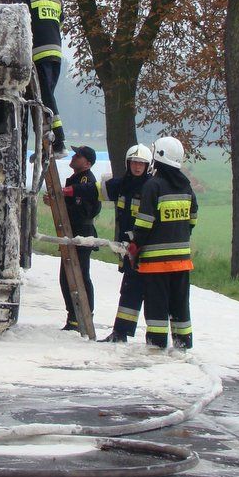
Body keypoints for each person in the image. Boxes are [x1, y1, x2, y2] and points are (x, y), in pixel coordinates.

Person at [63, 143, 152, 343]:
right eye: (134, 163)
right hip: (129, 247)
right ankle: (120, 333)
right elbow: (94, 190)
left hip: (146, 249)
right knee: (128, 290)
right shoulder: (122, 184)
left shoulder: (151, 187)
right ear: (128, 163)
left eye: (142, 164)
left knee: (151, 293)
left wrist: (140, 242)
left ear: (148, 166)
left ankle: (156, 338)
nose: (137, 167)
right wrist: (71, 191)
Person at [128, 136, 198, 349]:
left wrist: (135, 245)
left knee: (157, 307)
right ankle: (183, 345)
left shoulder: (153, 186)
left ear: (158, 158)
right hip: (182, 262)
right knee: (180, 307)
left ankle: (157, 347)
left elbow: (145, 223)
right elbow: (192, 218)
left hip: (156, 264)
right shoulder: (186, 186)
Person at [11, 0, 68, 158]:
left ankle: (58, 142)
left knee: (44, 99)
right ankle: (45, 147)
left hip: (37, 53)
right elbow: (60, 22)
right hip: (55, 53)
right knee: (44, 98)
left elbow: (15, 21)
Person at [45, 145, 101, 330]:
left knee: (81, 276)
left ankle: (84, 314)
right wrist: (54, 202)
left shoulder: (87, 182)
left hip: (82, 234)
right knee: (66, 276)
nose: (74, 157)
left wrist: (61, 203)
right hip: (71, 233)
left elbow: (81, 211)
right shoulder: (75, 179)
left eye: (79, 155)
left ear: (87, 162)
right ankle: (73, 316)